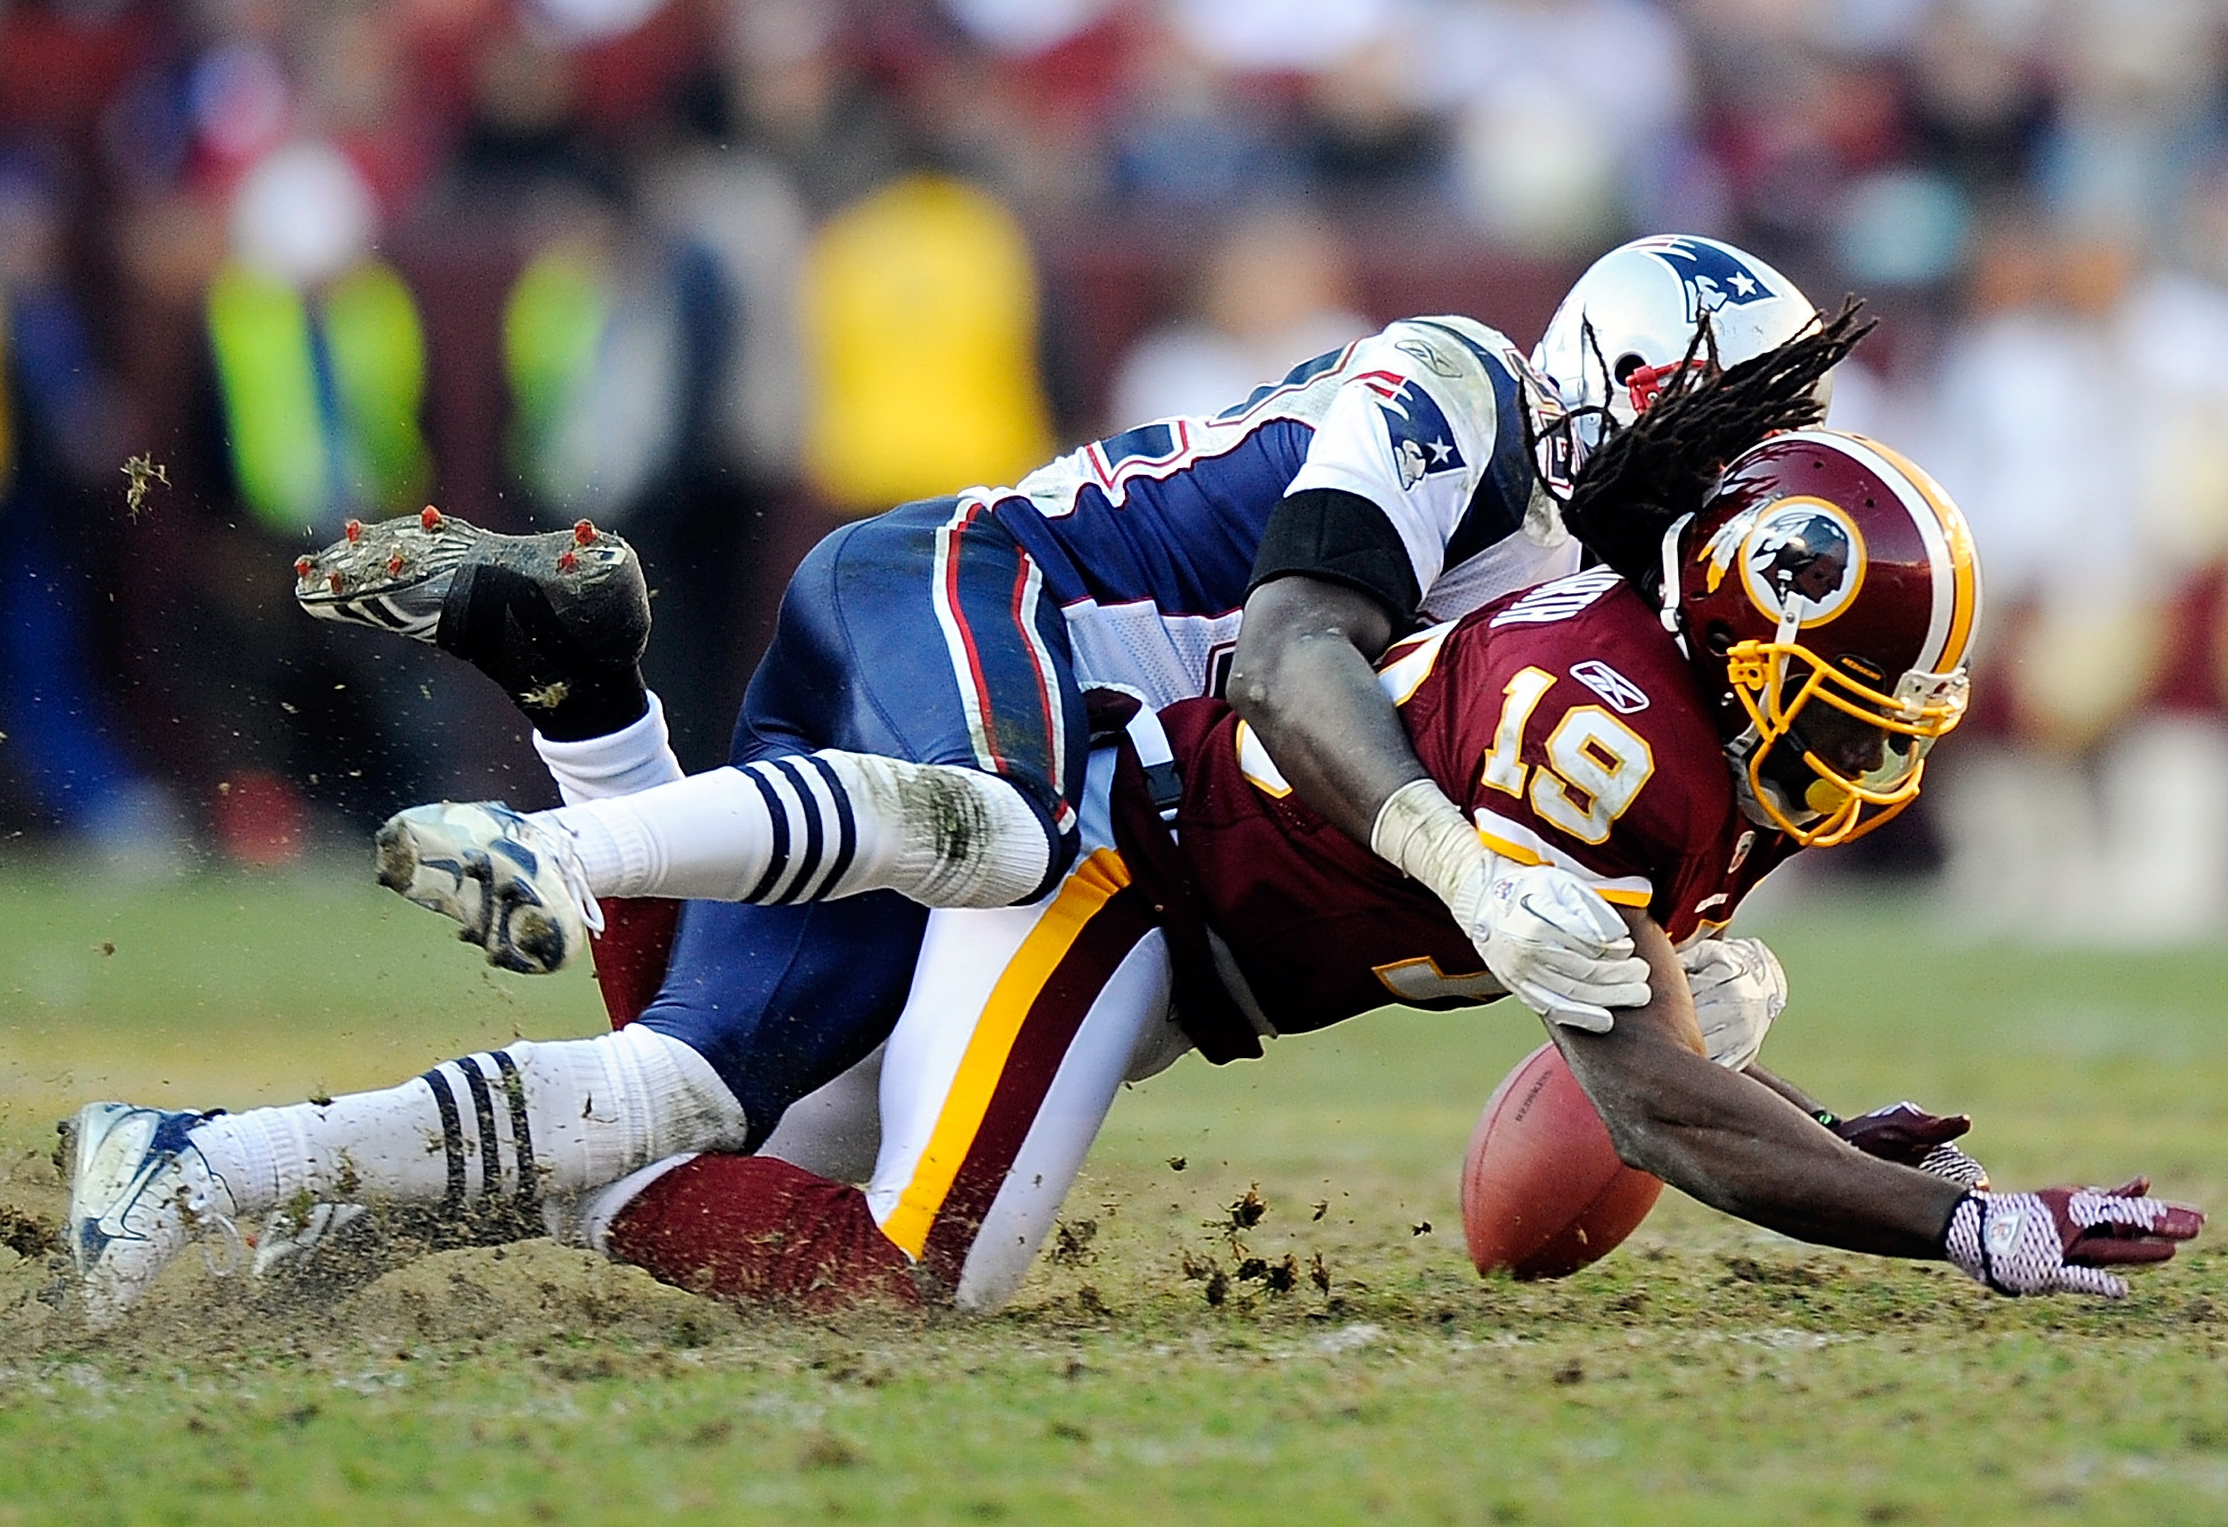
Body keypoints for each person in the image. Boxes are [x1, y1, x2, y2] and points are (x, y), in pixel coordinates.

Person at [68, 374, 2202, 1323]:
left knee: (743, 1152)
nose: (1877, 756)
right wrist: (1963, 1235)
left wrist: (1825, 1138)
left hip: (1148, 853)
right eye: (1860, 697)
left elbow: (1643, 1064)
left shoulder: (1621, 674)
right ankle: (246, 1141)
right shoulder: (1601, 691)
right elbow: (1637, 1097)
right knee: (810, 1185)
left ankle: (593, 742)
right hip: (1101, 823)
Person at [288, 231, 1832, 1159]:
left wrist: (1699, 1004)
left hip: (1094, 763)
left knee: (712, 1095)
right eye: (1728, 437)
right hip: (996, 600)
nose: (1738, 488)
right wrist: (1473, 878)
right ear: (1636, 386)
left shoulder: (1577, 594)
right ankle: (550, 850)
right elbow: (1298, 662)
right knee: (1002, 829)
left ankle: (588, 697)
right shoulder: (1459, 395)